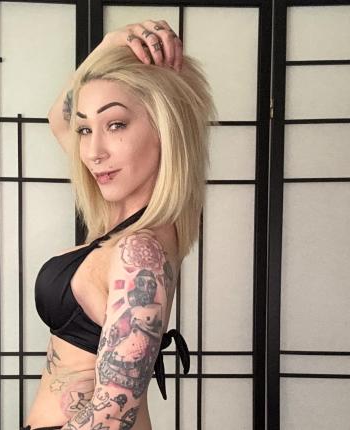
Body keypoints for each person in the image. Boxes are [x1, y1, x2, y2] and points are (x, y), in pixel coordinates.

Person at [23, 19, 217, 430]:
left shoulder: (139, 252)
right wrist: (110, 44)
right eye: (86, 130)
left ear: (164, 129)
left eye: (116, 125)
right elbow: (59, 119)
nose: (93, 151)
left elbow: (112, 415)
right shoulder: (124, 228)